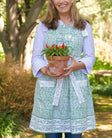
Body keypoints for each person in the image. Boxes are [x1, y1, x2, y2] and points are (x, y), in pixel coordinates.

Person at [29, 0, 96, 137]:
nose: (61, 1)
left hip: (75, 87)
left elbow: (90, 57)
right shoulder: (43, 26)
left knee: (75, 135)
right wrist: (45, 70)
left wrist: (77, 65)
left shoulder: (83, 26)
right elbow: (36, 57)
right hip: (50, 90)